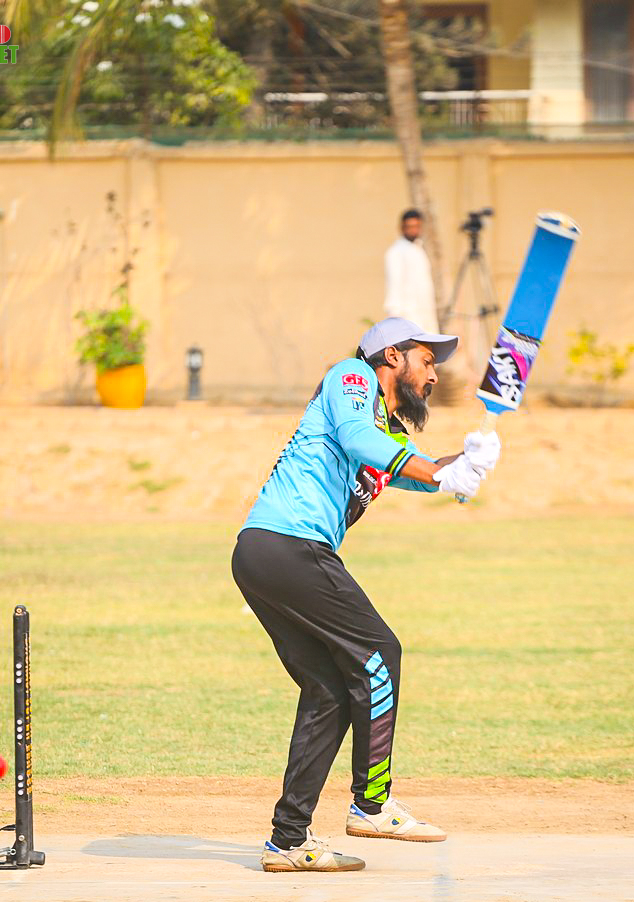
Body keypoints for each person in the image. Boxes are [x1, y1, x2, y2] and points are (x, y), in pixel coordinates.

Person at [231, 316, 501, 873]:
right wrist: (438, 472)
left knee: (330, 691)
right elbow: (360, 440)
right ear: (392, 356)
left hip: (269, 555)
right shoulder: (350, 377)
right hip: (288, 544)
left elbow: (415, 468)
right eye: (426, 361)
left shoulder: (388, 432)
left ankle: (288, 840)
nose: (433, 376)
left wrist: (468, 461)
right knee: (381, 651)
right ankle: (372, 804)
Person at [384, 209, 440, 334]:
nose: (413, 230)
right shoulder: (395, 252)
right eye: (410, 226)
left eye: (416, 226)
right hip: (408, 317)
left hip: (425, 314)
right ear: (402, 228)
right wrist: (394, 317)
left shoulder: (419, 249)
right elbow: (394, 285)